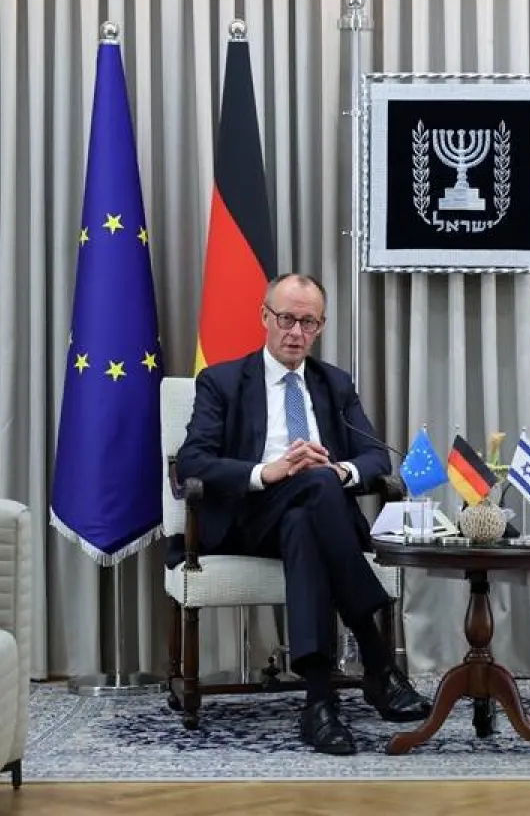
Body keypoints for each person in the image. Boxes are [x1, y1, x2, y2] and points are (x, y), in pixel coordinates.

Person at [174, 273, 431, 755]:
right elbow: (192, 461)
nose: (295, 332)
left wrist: (340, 472)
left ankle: (319, 703)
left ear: (321, 327)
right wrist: (267, 472)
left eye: (308, 323)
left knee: (308, 510)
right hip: (248, 519)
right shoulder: (223, 381)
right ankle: (377, 660)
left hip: (311, 518)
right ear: (264, 318)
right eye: (287, 319)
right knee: (310, 488)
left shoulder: (335, 384)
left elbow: (376, 458)